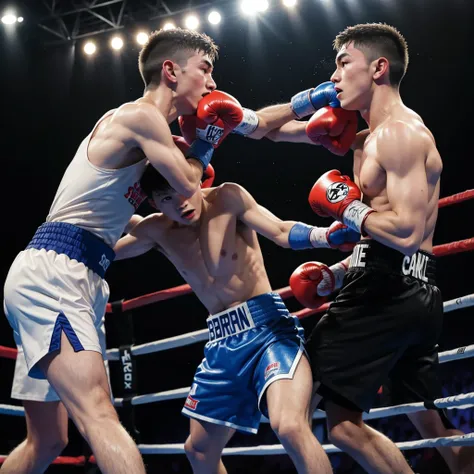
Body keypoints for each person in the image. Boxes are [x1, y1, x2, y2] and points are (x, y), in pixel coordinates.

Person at [1, 27, 250, 474]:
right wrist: (209, 138)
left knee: (48, 440)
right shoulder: (140, 117)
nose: (213, 84)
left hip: (78, 271)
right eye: (206, 70)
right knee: (99, 412)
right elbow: (190, 180)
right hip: (56, 276)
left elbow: (116, 229)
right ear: (171, 71)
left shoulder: (144, 141)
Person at [112, 147, 360, 474]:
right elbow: (106, 249)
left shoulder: (227, 198)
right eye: (167, 199)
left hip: (268, 331)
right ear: (155, 204)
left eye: (183, 189)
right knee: (198, 450)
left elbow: (281, 231)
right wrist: (105, 199)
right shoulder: (158, 231)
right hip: (220, 342)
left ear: (194, 177)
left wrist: (325, 236)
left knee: (289, 426)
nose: (181, 202)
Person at [286, 22, 459, 474]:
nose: (335, 76)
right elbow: (392, 239)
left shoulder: (398, 134)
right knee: (431, 430)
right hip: (411, 288)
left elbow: (403, 231)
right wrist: (338, 273)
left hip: (387, 290)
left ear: (379, 68)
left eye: (344, 64)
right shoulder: (367, 139)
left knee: (298, 397)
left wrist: (346, 208)